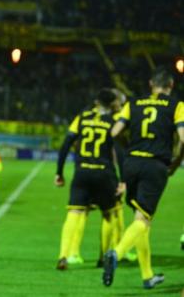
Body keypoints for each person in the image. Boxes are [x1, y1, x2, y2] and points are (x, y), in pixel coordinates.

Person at [102, 68, 184, 289]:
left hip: (132, 164)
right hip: (154, 165)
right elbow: (183, 138)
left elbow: (114, 132)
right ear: (170, 86)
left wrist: (129, 150)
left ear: (151, 84)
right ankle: (116, 254)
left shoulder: (133, 104)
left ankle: (147, 277)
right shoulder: (176, 106)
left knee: (140, 219)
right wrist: (176, 163)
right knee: (143, 220)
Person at [54, 89, 122, 270]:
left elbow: (66, 144)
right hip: (104, 173)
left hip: (82, 172)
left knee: (74, 213)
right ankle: (102, 257)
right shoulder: (113, 122)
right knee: (108, 214)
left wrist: (59, 172)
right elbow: (120, 152)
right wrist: (123, 179)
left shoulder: (82, 118)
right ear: (113, 104)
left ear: (96, 101)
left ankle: (63, 256)